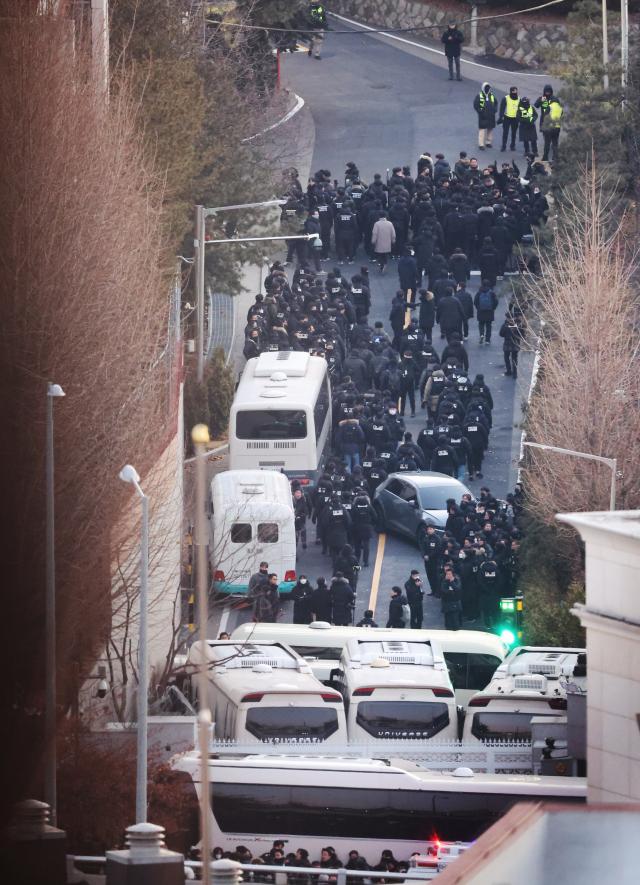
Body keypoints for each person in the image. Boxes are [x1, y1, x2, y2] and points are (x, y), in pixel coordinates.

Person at [473, 82, 497, 150]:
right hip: (483, 115)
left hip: (491, 115)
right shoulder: (479, 95)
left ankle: (488, 142)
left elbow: (495, 103)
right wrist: (480, 112)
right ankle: (481, 144)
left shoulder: (491, 95)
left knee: (490, 129)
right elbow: (476, 105)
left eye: (488, 88)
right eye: (486, 87)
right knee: (482, 130)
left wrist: (495, 110)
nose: (487, 89)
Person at [474, 279, 498, 344]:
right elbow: (496, 301)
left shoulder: (479, 292)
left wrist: (478, 308)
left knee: (481, 324)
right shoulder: (491, 292)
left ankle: (481, 334)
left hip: (481, 310)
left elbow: (475, 301)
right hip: (489, 311)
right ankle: (487, 340)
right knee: (489, 325)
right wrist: (493, 308)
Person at [500, 312, 523, 378]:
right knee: (514, 358)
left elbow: (501, 334)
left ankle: (508, 371)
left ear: (507, 317)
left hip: (507, 344)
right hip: (516, 344)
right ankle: (515, 373)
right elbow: (522, 334)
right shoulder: (518, 325)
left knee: (506, 357)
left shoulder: (505, 325)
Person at [541, 95, 563, 163]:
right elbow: (561, 115)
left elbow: (545, 116)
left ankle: (545, 157)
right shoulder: (560, 108)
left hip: (549, 127)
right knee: (555, 143)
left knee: (547, 143)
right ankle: (555, 157)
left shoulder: (550, 107)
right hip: (557, 127)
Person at [440, 565, 463, 630]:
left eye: (450, 574)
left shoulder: (457, 579)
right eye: (447, 574)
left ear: (453, 574)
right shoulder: (444, 580)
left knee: (455, 620)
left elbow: (458, 589)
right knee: (447, 621)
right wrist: (450, 591)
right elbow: (443, 590)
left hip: (455, 603)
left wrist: (452, 582)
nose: (448, 575)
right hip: (446, 603)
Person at [498, 86, 520, 152]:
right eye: (513, 91)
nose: (515, 92)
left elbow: (520, 109)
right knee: (505, 133)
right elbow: (502, 108)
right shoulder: (505, 98)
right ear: (511, 91)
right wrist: (501, 117)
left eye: (516, 91)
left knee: (514, 133)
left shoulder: (519, 99)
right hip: (507, 118)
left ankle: (512, 146)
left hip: (515, 118)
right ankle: (503, 146)